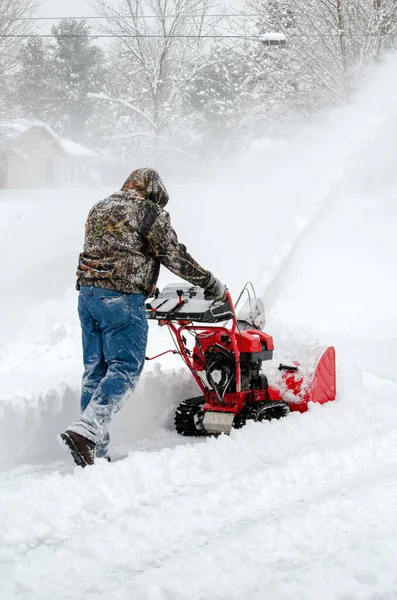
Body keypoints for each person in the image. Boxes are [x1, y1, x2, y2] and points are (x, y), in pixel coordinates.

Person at [59, 168, 226, 467]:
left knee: (95, 370)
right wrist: (209, 282)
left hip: (87, 295)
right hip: (120, 298)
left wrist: (148, 284)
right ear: (153, 193)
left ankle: (93, 452)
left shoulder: (100, 206)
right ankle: (86, 431)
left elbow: (117, 251)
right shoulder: (148, 211)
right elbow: (173, 255)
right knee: (126, 367)